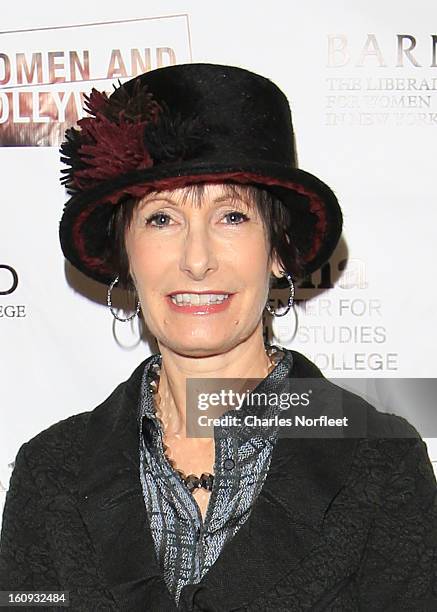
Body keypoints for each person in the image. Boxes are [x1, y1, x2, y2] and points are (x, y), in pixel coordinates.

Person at [0, 62, 436, 611]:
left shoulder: (381, 464)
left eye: (231, 217)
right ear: (125, 255)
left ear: (279, 251)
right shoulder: (50, 473)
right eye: (162, 219)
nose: (197, 259)